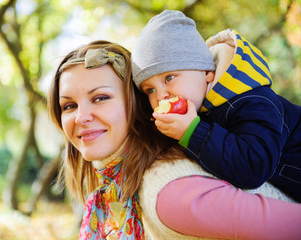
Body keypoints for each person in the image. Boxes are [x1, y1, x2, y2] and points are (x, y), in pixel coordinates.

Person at [48, 40, 301, 240]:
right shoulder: (136, 177)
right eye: (69, 105)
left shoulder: (170, 189)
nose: (81, 117)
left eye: (100, 98)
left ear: (136, 105)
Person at [132, 10, 301, 203]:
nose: (161, 95)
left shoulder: (252, 101)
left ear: (206, 72)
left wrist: (192, 132)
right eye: (150, 90)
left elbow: (254, 167)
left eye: (169, 78)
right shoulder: (199, 107)